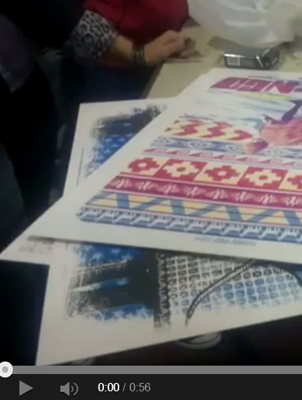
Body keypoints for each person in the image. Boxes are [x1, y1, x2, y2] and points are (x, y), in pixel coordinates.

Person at [0, 1, 192, 365]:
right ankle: (33, 352)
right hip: (103, 58)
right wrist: (134, 53)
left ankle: (50, 325)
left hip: (19, 80)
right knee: (13, 239)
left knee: (37, 221)